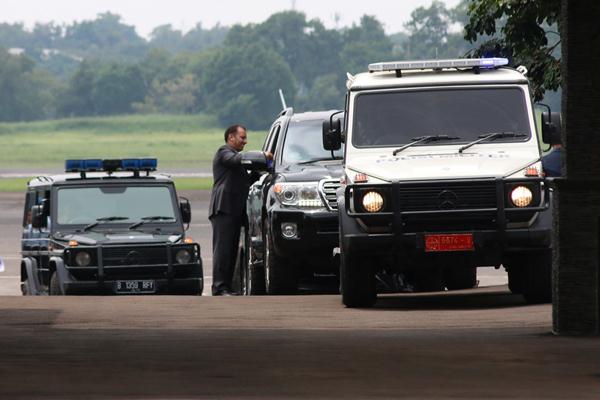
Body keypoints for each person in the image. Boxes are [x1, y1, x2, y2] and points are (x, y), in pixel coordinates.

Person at [209, 124, 272, 296]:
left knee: (231, 250)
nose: (245, 141)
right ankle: (219, 287)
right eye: (242, 137)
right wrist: (261, 156)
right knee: (223, 250)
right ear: (231, 137)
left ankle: (226, 287)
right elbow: (237, 160)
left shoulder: (238, 160)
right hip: (223, 209)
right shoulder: (224, 152)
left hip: (234, 211)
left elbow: (248, 180)